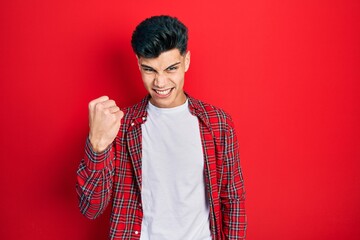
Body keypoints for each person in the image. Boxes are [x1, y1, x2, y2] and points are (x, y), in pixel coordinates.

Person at [76, 15, 246, 239]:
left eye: (171, 68)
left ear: (186, 61)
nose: (160, 82)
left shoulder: (217, 123)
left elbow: (232, 198)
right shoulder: (121, 126)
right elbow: (91, 208)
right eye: (150, 70)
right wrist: (97, 146)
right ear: (138, 63)